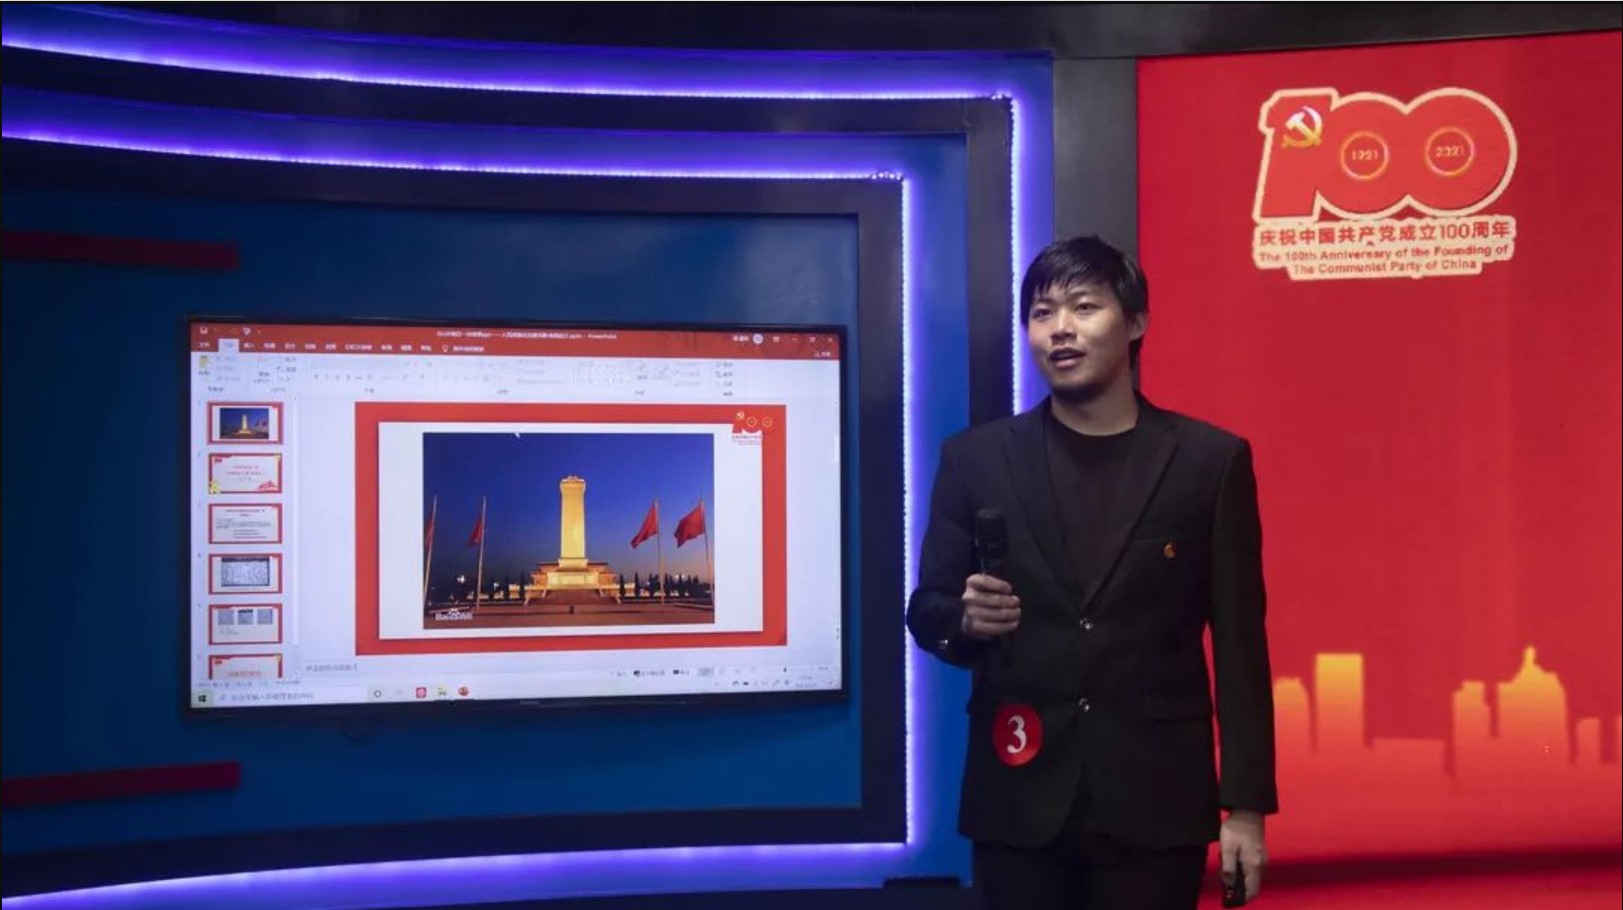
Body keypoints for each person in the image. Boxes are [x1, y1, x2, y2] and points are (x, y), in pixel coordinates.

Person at [907, 236, 1277, 909]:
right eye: (1042, 312)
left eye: (1083, 307)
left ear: (1134, 322)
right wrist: (964, 619)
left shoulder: (1208, 462)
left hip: (1156, 800)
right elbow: (927, 610)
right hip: (1018, 795)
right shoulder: (975, 459)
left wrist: (1245, 808)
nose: (1060, 329)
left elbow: (1239, 647)